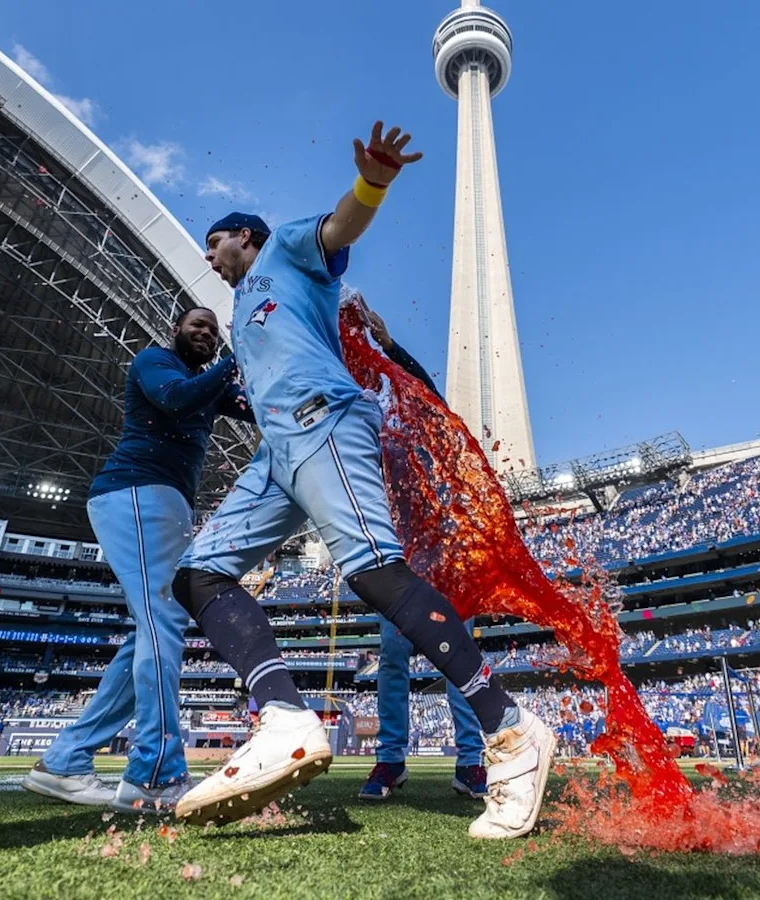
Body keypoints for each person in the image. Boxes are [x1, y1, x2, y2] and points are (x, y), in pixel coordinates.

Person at [170, 121, 554, 840]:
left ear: (240, 236)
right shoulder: (240, 315)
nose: (208, 255)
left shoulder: (281, 249)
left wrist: (371, 181)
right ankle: (284, 716)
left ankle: (510, 726)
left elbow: (341, 227)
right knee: (197, 573)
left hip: (327, 423)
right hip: (279, 453)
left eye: (214, 243)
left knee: (377, 575)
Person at [22, 307, 253, 812]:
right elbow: (174, 399)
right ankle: (154, 772)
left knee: (150, 631)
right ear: (177, 330)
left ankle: (65, 761)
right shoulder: (156, 361)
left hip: (159, 499)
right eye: (199, 324)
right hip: (135, 490)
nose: (207, 332)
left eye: (214, 330)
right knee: (163, 619)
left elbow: (256, 407)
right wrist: (231, 360)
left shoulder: (210, 381)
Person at [354, 306, 486, 802]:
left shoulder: (414, 414)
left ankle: (470, 760)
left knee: (458, 651)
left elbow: (428, 392)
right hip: (397, 552)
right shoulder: (359, 416)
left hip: (442, 550)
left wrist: (390, 346)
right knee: (392, 655)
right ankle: (391, 759)